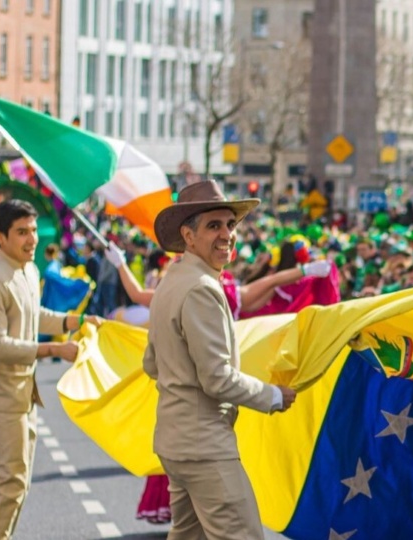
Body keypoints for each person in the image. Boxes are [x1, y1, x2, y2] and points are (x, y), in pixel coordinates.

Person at [143, 181, 297, 539]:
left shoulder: (173, 281)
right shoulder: (200, 288)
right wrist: (273, 396)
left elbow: (152, 364)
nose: (227, 234)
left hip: (179, 442)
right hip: (203, 447)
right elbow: (217, 379)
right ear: (188, 235)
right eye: (214, 225)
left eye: (230, 225)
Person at [0, 200, 101, 540]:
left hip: (21, 394)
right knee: (10, 481)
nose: (32, 240)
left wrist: (75, 320)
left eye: (33, 231)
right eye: (21, 232)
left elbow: (33, 312)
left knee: (18, 481)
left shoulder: (27, 268)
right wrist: (53, 349)